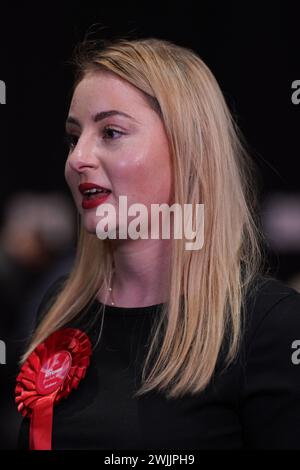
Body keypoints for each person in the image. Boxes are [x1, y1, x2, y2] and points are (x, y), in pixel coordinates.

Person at [17, 37, 300, 450]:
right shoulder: (62, 308)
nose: (78, 157)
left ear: (189, 150)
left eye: (110, 132)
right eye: (73, 136)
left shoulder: (269, 327)